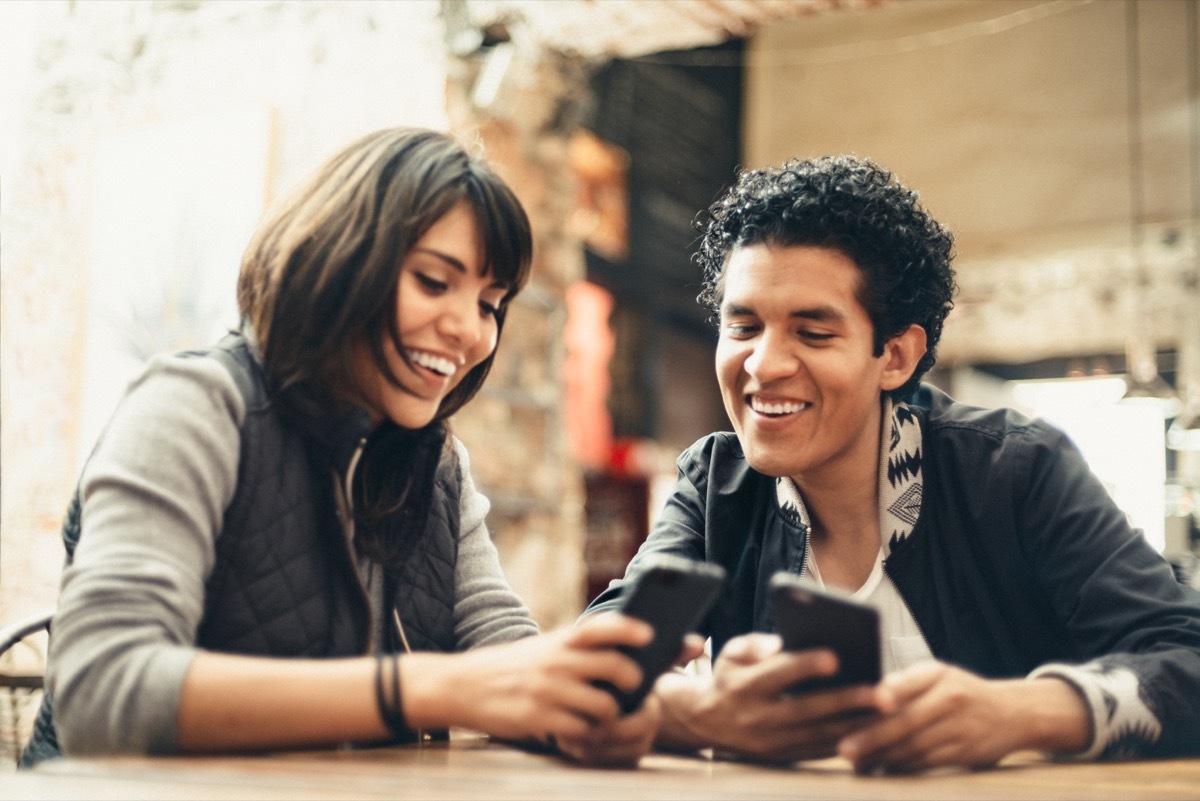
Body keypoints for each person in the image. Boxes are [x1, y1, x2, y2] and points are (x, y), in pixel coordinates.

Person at [21, 127, 658, 768]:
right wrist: (431, 690)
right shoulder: (195, 406)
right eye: (435, 283)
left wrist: (672, 709)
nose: (470, 331)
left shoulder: (437, 465)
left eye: (491, 304)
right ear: (339, 259)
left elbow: (501, 651)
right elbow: (100, 691)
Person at [585, 154, 1200, 771]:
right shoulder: (717, 487)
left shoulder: (1014, 470)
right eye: (742, 326)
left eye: (813, 333)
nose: (764, 365)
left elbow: (1186, 659)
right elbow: (592, 668)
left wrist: (1016, 713)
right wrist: (699, 711)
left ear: (896, 357)